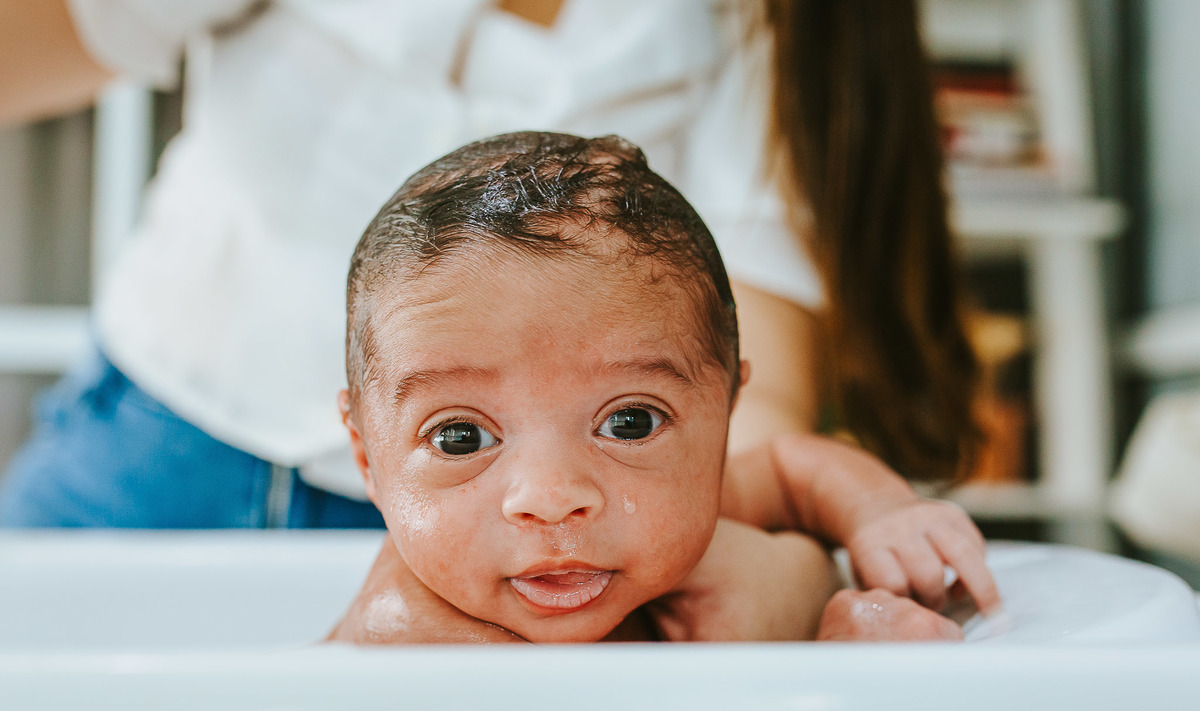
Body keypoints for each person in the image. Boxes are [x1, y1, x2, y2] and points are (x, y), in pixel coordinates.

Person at [0, 1, 984, 614]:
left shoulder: (776, 25)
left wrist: (766, 564)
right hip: (143, 449)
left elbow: (740, 388)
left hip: (505, 554)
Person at [325, 131, 994, 644]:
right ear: (366, 457)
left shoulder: (701, 495)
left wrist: (881, 513)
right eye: (460, 437)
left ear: (727, 407)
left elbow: (793, 469)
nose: (551, 498)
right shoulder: (396, 644)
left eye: (630, 423)